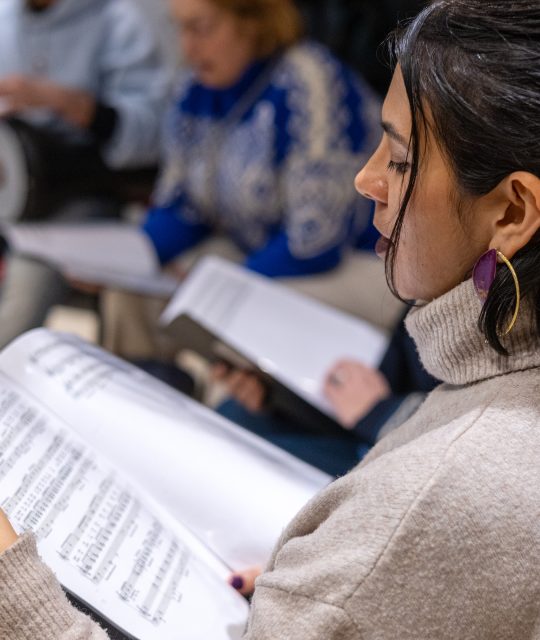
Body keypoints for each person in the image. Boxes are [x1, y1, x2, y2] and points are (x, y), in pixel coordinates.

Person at [2, 0, 540, 637]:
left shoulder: (445, 487)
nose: (366, 178)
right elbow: (179, 206)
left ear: (510, 214)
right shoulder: (486, 396)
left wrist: (12, 572)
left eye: (398, 158)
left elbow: (313, 230)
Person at [99, 0, 391, 361]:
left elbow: (315, 240)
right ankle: (136, 402)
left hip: (360, 264)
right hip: (257, 255)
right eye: (181, 28)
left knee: (238, 316)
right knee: (131, 289)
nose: (187, 46)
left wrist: (217, 287)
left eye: (201, 28)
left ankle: (234, 413)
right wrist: (121, 260)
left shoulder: (309, 81)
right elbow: (182, 206)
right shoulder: (195, 86)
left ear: (251, 22)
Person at [0, 0, 172, 348]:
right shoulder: (6, 16)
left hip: (74, 199)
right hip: (7, 187)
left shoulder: (119, 21)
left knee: (24, 295)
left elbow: (154, 135)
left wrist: (71, 105)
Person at [216, 312, 439, 476]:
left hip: (406, 441)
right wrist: (280, 395)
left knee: (246, 458)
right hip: (388, 394)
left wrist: (380, 413)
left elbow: (463, 439)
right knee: (232, 416)